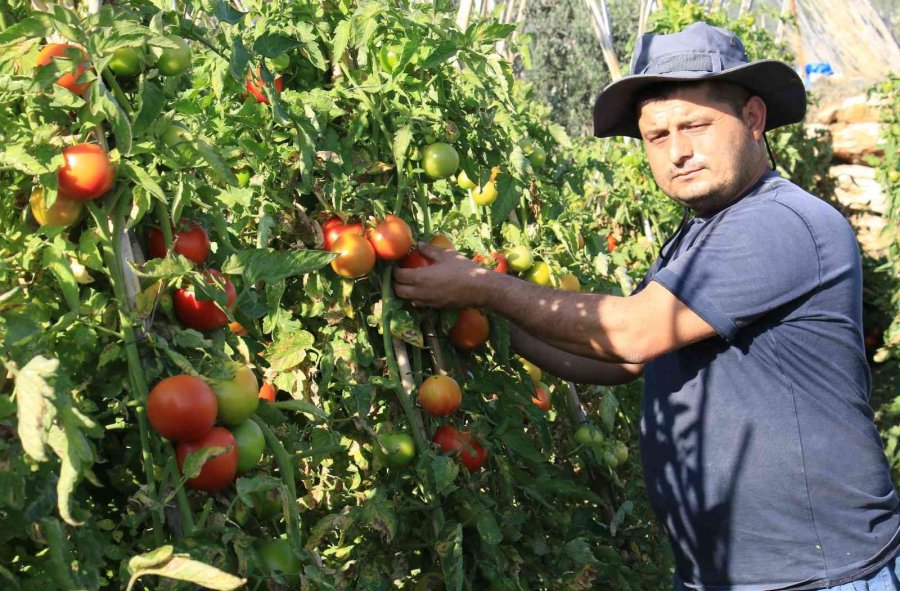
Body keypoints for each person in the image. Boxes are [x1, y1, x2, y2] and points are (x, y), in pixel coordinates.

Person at [394, 21, 900, 591]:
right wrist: (486, 326)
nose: (678, 151)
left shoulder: (778, 223)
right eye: (657, 137)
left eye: (696, 126)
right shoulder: (701, 234)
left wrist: (483, 288)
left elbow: (633, 333)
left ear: (753, 119)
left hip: (815, 575)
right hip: (723, 572)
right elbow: (623, 363)